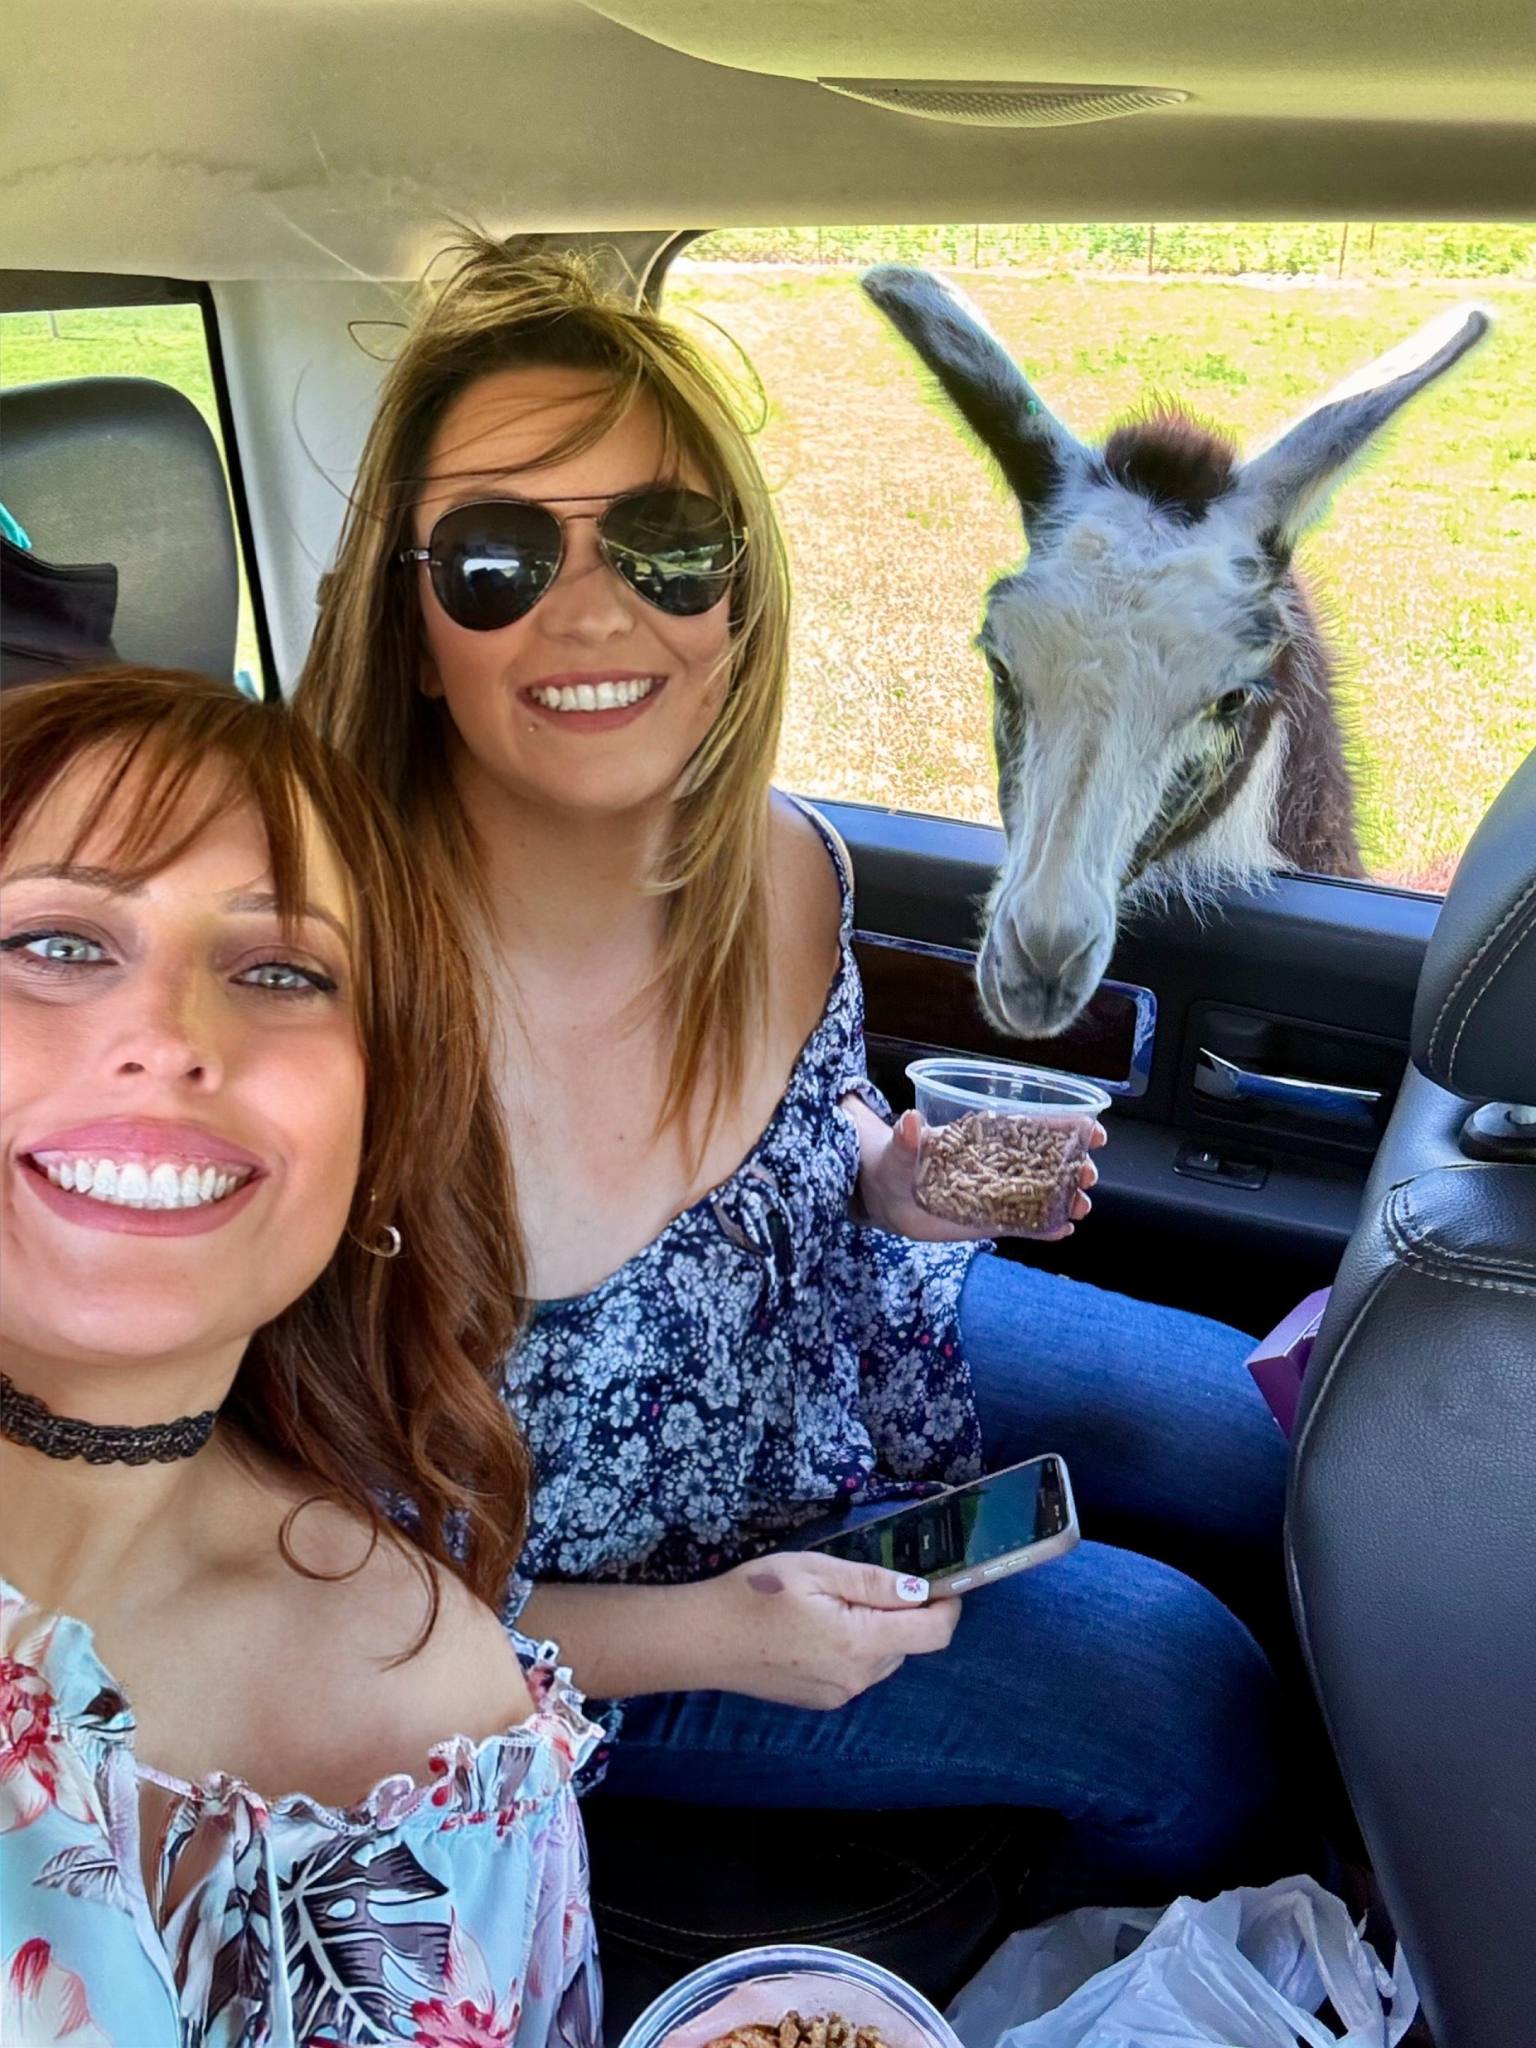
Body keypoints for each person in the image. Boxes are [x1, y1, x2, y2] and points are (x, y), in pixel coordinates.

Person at [299, 241, 1302, 1908]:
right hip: (609, 1611)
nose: (597, 606)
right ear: (414, 634)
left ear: (738, 590)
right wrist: (714, 1635)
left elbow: (806, 1148)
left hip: (832, 1363)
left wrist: (899, 1182)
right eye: (494, 556)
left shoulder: (783, 871)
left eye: (666, 543)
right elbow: (276, 1586)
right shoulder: (321, 1017)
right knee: (1182, 1695)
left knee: (1280, 1441)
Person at [0, 669, 601, 2047]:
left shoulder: (433, 1733)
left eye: (281, 970)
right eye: (58, 945)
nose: (167, 1039)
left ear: (379, 1136)